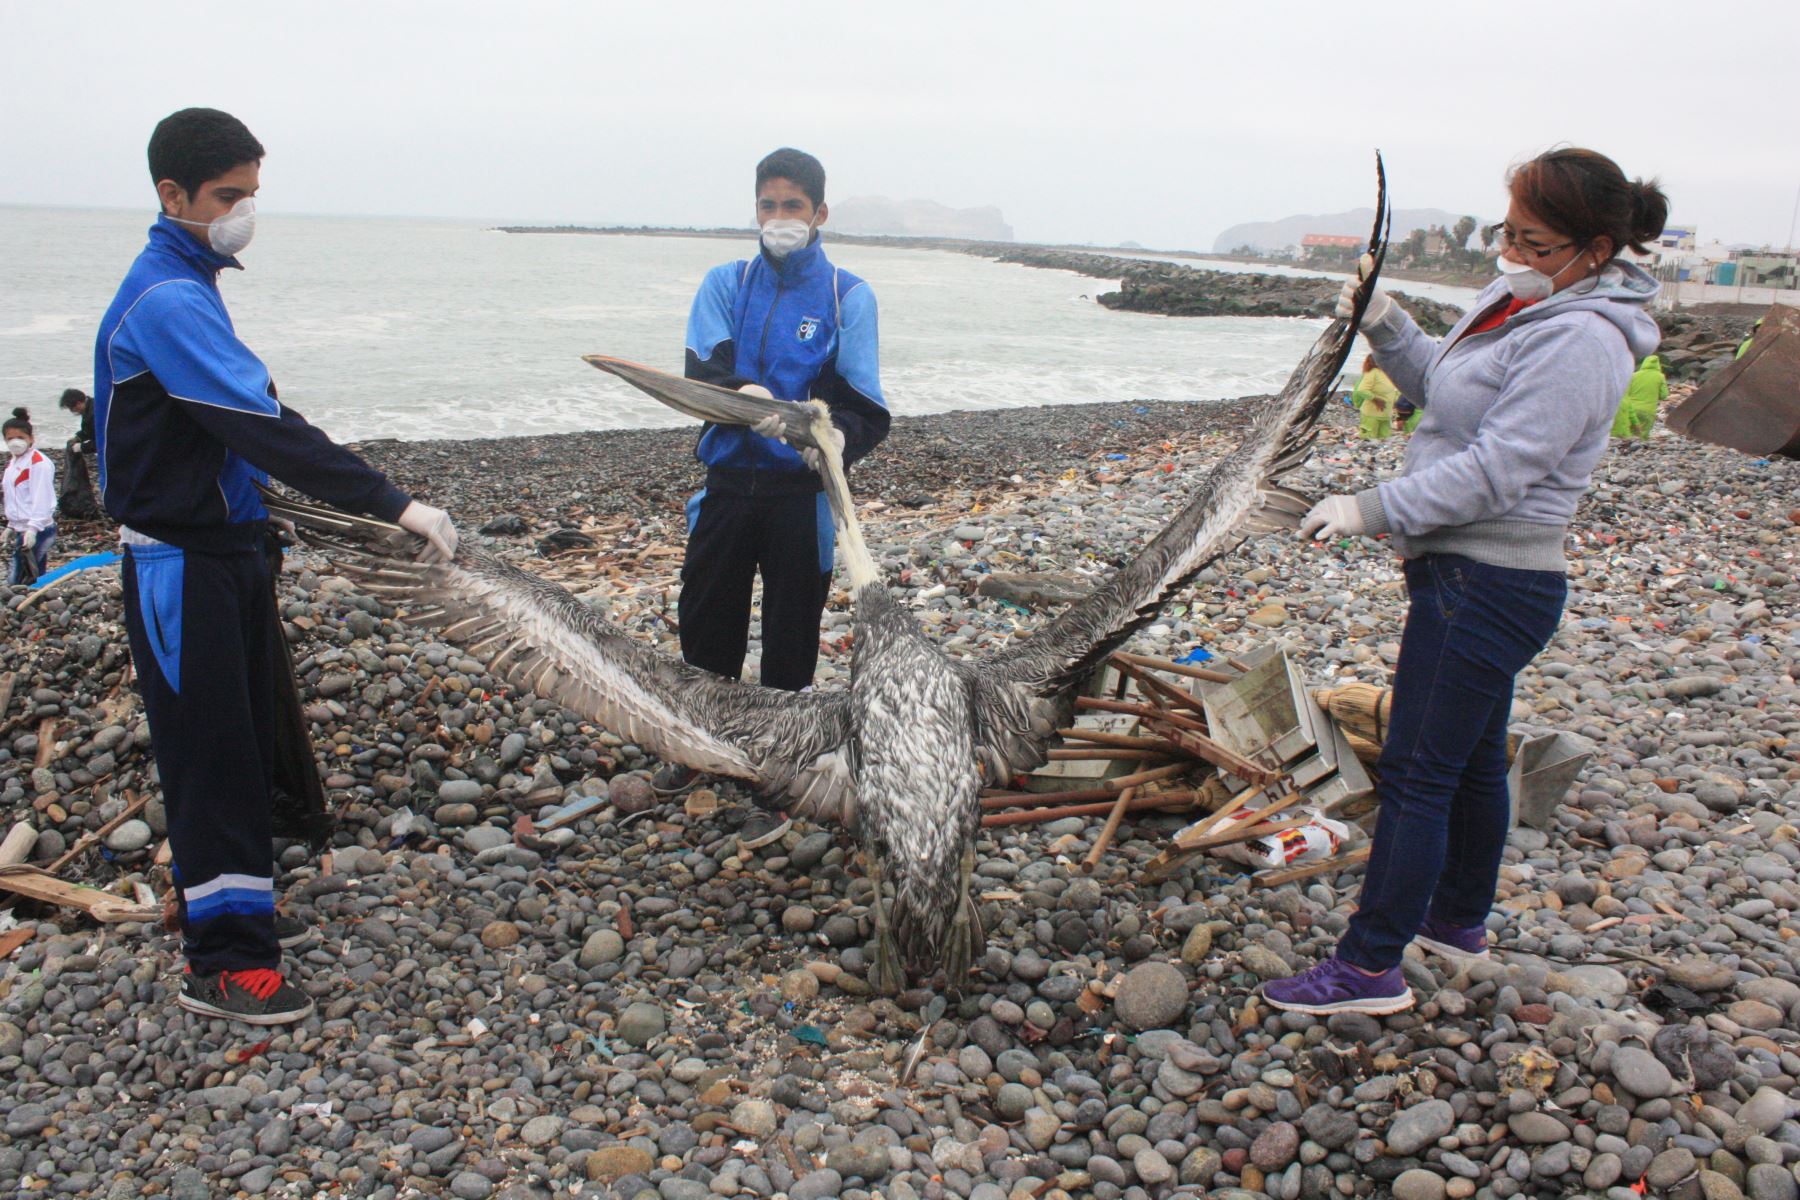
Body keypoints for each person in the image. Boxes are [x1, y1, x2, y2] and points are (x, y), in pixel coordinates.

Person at [1272, 147, 1666, 1016]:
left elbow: (1501, 469)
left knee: (1416, 775)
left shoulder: (1584, 340)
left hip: (1491, 582)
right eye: (1508, 232)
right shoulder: (1522, 303)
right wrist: (1388, 323)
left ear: (1595, 250)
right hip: (1461, 573)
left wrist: (1369, 507)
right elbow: (1449, 398)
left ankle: (1367, 969)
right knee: (1479, 759)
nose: (1512, 254)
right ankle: (1456, 923)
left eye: (1534, 240)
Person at [95, 108, 459, 1025]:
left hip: (230, 550)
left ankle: (239, 909)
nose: (242, 215)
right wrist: (393, 503)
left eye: (251, 197)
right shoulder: (167, 300)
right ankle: (225, 965)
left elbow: (246, 408)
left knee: (248, 742)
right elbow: (262, 426)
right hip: (181, 563)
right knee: (209, 755)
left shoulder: (191, 280)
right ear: (171, 195)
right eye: (227, 198)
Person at [653, 147, 891, 795]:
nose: (779, 217)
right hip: (726, 487)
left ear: (819, 213)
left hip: (801, 500)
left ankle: (781, 762)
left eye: (793, 206)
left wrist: (824, 442)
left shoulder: (848, 297)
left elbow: (867, 409)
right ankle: (700, 748)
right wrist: (746, 396)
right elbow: (703, 375)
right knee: (706, 620)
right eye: (768, 205)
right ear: (755, 208)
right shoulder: (725, 284)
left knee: (792, 630)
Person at [4, 409, 56, 583]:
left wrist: (33, 529)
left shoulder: (38, 464)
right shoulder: (14, 462)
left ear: (31, 438)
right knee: (34, 573)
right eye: (9, 439)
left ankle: (27, 603)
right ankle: (36, 603)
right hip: (23, 527)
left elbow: (42, 499)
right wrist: (11, 526)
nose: (14, 443)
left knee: (17, 579)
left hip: (38, 529)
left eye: (20, 438)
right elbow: (16, 497)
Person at [57, 388, 103, 520]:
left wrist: (82, 447)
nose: (73, 412)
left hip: (115, 450)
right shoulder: (88, 409)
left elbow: (102, 439)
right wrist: (78, 437)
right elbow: (88, 431)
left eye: (72, 408)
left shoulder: (95, 411)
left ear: (78, 403)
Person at [1611, 353, 1665, 439]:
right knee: (1642, 436)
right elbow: (1664, 395)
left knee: (1629, 435)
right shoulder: (1660, 377)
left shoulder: (1634, 375)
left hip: (1632, 409)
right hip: (1648, 411)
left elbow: (1626, 392)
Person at [1352, 354, 1399, 439]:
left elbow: (1392, 391)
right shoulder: (1372, 372)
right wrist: (1375, 399)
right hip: (1372, 415)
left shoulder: (1387, 372)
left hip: (1386, 415)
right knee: (1368, 440)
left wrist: (1397, 402)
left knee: (1385, 441)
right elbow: (1362, 390)